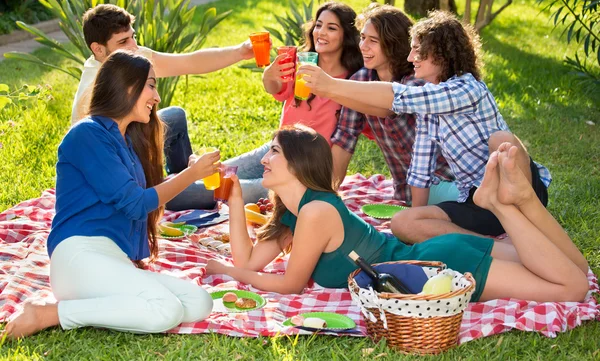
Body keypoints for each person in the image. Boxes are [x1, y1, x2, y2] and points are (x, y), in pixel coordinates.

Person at [204, 125, 588, 304]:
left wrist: (227, 273)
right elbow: (250, 260)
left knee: (574, 288)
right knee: (575, 267)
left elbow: (289, 284)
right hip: (439, 254)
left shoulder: (317, 211)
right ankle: (521, 201)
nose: (265, 159)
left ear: (298, 164)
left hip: (437, 271)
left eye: (273, 151)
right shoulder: (295, 210)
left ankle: (502, 205)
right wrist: (235, 199)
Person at [4, 51, 217, 339]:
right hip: (79, 254)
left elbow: (139, 195)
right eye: (151, 86)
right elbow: (135, 203)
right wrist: (189, 176)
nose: (157, 98)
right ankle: (50, 313)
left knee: (199, 303)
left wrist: (187, 173)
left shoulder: (126, 142)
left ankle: (111, 303)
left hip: (112, 258)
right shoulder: (87, 135)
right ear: (128, 87)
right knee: (166, 310)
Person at [297, 10, 551, 243]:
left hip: (516, 189)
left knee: (502, 140)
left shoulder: (467, 89)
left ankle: (525, 215)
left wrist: (329, 86)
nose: (411, 58)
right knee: (403, 222)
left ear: (441, 55)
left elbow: (400, 98)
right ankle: (490, 243)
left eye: (418, 51)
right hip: (476, 200)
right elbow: (420, 166)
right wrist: (416, 217)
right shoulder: (429, 102)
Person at [72, 4, 255, 210]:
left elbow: (188, 62)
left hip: (138, 154)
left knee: (174, 117)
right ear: (98, 49)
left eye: (133, 37)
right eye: (123, 41)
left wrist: (240, 52)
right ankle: (186, 188)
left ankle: (188, 176)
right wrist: (181, 180)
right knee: (244, 188)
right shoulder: (95, 95)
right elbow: (124, 184)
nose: (133, 46)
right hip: (131, 183)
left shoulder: (128, 58)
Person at [212, 1, 363, 203]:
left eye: (331, 28)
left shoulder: (350, 82)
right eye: (318, 25)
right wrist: (269, 75)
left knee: (222, 188)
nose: (321, 32)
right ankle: (176, 182)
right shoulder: (299, 64)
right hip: (276, 151)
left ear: (346, 36)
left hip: (303, 170)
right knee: (214, 173)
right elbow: (274, 88)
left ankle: (169, 189)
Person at [331, 4, 456, 205]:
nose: (363, 46)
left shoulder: (417, 81)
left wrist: (328, 86)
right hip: (405, 194)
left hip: (447, 182)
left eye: (373, 41)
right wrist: (326, 195)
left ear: (394, 45)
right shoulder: (361, 80)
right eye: (363, 38)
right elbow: (344, 138)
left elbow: (389, 106)